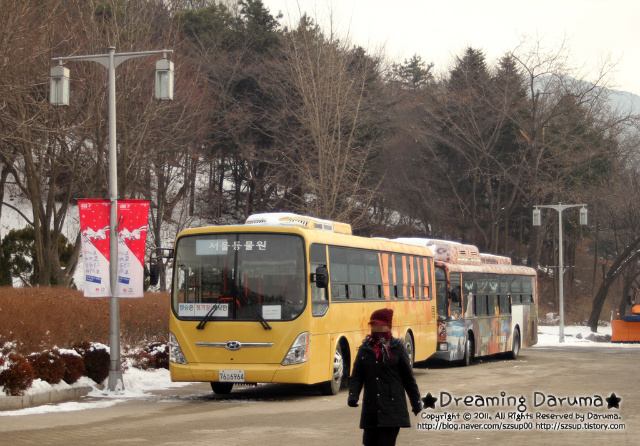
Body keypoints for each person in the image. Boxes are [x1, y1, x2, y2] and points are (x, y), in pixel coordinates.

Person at [347, 308, 423, 446]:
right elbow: (357, 375)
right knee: (369, 442)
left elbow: (408, 378)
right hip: (371, 409)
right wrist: (353, 394)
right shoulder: (365, 349)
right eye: (374, 325)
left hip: (392, 408)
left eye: (380, 326)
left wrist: (416, 402)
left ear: (388, 326)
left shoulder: (397, 348)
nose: (377, 328)